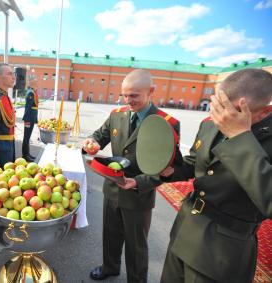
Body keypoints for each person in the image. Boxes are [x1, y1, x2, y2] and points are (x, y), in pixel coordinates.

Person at [160, 68, 272, 283]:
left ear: (265, 112)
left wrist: (240, 137)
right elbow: (195, 163)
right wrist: (171, 170)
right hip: (184, 229)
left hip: (222, 251)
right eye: (219, 105)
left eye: (234, 110)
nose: (222, 116)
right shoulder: (211, 122)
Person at [82, 69, 180, 283]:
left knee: (136, 244)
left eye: (134, 95)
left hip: (138, 193)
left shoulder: (166, 123)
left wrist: (138, 182)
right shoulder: (117, 114)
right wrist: (92, 142)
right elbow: (100, 135)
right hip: (113, 187)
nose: (128, 100)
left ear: (151, 91)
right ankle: (110, 267)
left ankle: (136, 279)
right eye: (124, 95)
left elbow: (169, 167)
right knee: (110, 234)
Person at [22, 79, 39, 162]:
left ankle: (27, 154)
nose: (37, 85)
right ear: (32, 84)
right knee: (26, 137)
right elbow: (28, 107)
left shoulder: (33, 92)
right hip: (29, 118)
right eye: (36, 83)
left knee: (28, 137)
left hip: (31, 118)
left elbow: (34, 106)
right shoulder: (30, 93)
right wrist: (27, 119)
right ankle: (25, 155)